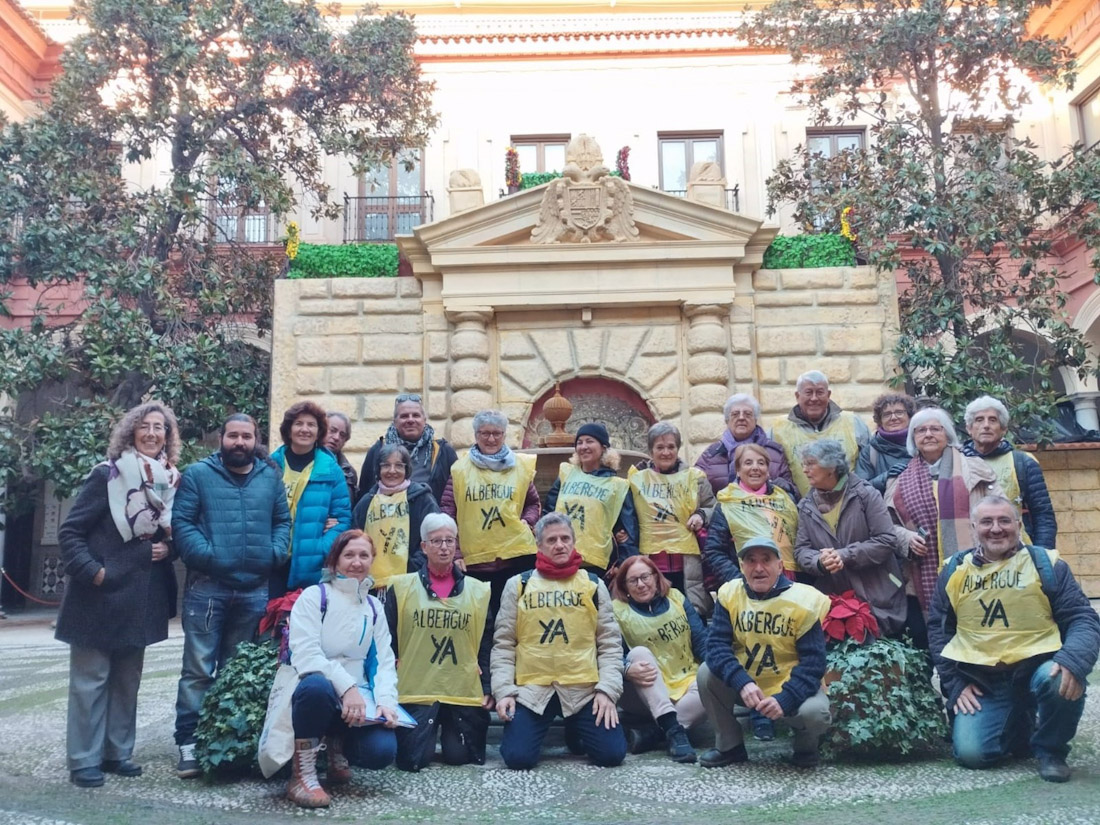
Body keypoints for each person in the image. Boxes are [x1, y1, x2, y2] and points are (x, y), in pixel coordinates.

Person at [929, 496, 1099, 782]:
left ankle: (1051, 751)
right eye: (986, 522)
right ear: (973, 528)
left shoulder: (1047, 565)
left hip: (1039, 670)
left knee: (1059, 678)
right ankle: (1020, 723)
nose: (996, 529)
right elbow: (939, 629)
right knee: (972, 755)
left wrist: (1073, 660)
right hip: (984, 681)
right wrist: (955, 684)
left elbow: (1082, 618)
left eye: (1004, 520)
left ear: (1018, 525)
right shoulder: (953, 570)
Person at [56, 402, 182, 787]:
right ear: (130, 432)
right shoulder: (107, 477)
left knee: (127, 681)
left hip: (141, 597)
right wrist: (94, 572)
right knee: (90, 680)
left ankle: (116, 753)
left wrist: (169, 550)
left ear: (168, 436)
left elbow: (171, 534)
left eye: (159, 427)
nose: (152, 433)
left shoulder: (171, 482)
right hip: (99, 595)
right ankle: (83, 760)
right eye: (144, 426)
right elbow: (71, 532)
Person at [172, 413, 291, 778]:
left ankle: (225, 741)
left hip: (254, 588)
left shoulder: (269, 478)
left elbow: (283, 523)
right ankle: (189, 742)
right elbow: (182, 524)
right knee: (198, 669)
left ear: (256, 440)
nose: (239, 442)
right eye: (233, 436)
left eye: (247, 436)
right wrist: (210, 557)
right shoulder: (197, 476)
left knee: (236, 667)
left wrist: (271, 555)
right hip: (208, 587)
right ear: (221, 439)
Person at [491, 512, 627, 770]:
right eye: (551, 540)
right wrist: (504, 691)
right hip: (533, 692)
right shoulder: (518, 585)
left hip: (583, 690)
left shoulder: (594, 585)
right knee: (517, 758)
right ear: (539, 545)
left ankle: (577, 727)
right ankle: (566, 729)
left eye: (565, 538)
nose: (559, 545)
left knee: (612, 755)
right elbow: (504, 644)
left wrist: (607, 691)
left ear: (574, 542)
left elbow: (609, 645)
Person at [283, 530, 398, 807]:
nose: (356, 562)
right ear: (335, 561)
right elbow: (306, 654)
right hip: (318, 692)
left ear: (372, 560)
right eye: (349, 555)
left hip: (358, 701)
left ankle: (337, 746)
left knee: (382, 751)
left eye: (363, 555)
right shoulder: (315, 596)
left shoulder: (374, 607)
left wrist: (386, 702)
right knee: (316, 687)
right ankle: (303, 774)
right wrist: (346, 687)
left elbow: (383, 659)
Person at [697, 536, 831, 768]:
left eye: (766, 560)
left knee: (816, 712)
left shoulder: (805, 600)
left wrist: (785, 699)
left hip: (790, 686)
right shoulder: (730, 594)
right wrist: (742, 682)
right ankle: (730, 746)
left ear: (780, 566)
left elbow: (814, 664)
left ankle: (806, 747)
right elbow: (716, 648)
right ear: (742, 566)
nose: (758, 568)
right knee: (706, 673)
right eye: (750, 561)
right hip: (748, 685)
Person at [385, 514, 493, 772]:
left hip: (460, 689)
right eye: (436, 541)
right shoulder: (401, 588)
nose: (444, 547)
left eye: (449, 540)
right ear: (424, 547)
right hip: (417, 688)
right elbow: (389, 637)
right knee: (414, 760)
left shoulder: (477, 591)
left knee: (459, 756)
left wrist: (487, 684)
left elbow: (486, 641)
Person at [886, 407, 1003, 641]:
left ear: (947, 434)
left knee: (979, 635)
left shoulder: (975, 467)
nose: (928, 434)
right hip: (920, 574)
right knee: (929, 640)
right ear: (913, 438)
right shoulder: (899, 479)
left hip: (978, 569)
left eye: (935, 429)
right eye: (921, 430)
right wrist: (906, 540)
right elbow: (885, 526)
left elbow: (1001, 510)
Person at [794, 439, 907, 638]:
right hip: (835, 605)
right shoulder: (806, 506)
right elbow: (801, 550)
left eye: (810, 463)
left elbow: (887, 539)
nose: (805, 470)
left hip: (878, 599)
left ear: (831, 466)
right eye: (804, 464)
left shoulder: (866, 494)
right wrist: (819, 562)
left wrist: (844, 555)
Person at [440, 410, 539, 613]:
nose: (491, 438)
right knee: (481, 622)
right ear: (476, 435)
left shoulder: (520, 467)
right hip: (475, 563)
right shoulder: (459, 470)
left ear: (504, 435)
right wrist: (455, 552)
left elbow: (533, 502)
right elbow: (448, 512)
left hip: (515, 559)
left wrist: (527, 522)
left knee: (514, 619)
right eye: (485, 433)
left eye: (497, 433)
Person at [611, 556, 706, 763]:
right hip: (642, 689)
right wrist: (626, 670)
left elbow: (701, 641)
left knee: (712, 684)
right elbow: (607, 655)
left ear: (656, 577)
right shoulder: (617, 611)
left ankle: (658, 731)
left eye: (645, 577)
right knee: (639, 654)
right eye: (633, 580)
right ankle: (672, 729)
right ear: (624, 586)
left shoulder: (677, 598)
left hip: (685, 683)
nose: (641, 584)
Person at [628, 422, 715, 616]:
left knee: (691, 615)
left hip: (687, 564)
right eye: (660, 447)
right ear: (651, 451)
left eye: (671, 447)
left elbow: (712, 507)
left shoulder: (695, 478)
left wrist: (701, 515)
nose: (666, 452)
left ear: (678, 448)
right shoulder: (636, 480)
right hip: (652, 563)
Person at [270, 401, 352, 596]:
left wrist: (320, 549)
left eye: (311, 425)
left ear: (318, 432)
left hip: (311, 567)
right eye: (298, 423)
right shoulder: (269, 466)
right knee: (268, 623)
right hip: (271, 563)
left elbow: (342, 519)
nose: (304, 429)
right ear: (288, 430)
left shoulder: (331, 470)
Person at [544, 423, 638, 576]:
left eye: (589, 441)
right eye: (579, 442)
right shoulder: (566, 475)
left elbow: (627, 530)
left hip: (597, 565)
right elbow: (549, 512)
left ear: (603, 447)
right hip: (560, 558)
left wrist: (623, 565)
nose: (583, 446)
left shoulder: (617, 485)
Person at [962, 395, 1056, 547]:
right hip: (970, 555)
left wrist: (1042, 556)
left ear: (1004, 429)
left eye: (993, 420)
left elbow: (1043, 515)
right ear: (969, 428)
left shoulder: (1023, 462)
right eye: (979, 420)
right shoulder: (956, 464)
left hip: (1018, 553)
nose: (986, 425)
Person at [705, 442, 800, 586]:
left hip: (790, 582)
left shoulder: (787, 499)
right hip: (749, 584)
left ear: (768, 470)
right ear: (738, 470)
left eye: (761, 463)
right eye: (748, 463)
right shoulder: (727, 503)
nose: (755, 467)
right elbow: (714, 550)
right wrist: (739, 581)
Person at [352, 444, 440, 593]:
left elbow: (436, 535)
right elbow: (353, 537)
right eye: (386, 465)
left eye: (399, 466)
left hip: (411, 583)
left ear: (407, 470)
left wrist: (414, 566)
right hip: (370, 586)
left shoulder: (422, 499)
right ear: (378, 470)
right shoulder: (366, 502)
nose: (392, 471)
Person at [771, 370, 870, 497]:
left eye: (819, 392)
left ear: (828, 394)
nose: (814, 398)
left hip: (850, 504)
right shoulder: (778, 429)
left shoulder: (853, 423)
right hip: (801, 509)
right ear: (797, 396)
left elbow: (867, 466)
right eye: (808, 392)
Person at [357, 393, 458, 503]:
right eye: (404, 416)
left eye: (416, 415)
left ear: (424, 420)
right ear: (395, 422)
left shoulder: (443, 451)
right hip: (387, 518)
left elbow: (456, 493)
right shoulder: (378, 450)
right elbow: (364, 494)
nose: (410, 420)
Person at [695, 393, 794, 495]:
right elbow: (695, 491)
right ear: (727, 420)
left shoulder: (775, 452)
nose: (741, 418)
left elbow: (791, 493)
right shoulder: (711, 455)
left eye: (747, 414)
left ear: (755, 420)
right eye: (735, 414)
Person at [855, 393, 917, 494]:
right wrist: (885, 478)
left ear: (910, 416)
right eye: (887, 414)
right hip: (883, 509)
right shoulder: (870, 452)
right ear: (880, 420)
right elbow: (859, 489)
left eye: (899, 412)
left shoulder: (922, 443)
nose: (893, 418)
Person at [325, 411, 358, 507]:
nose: (336, 437)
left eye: (342, 435)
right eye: (332, 430)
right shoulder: (306, 462)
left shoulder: (349, 473)